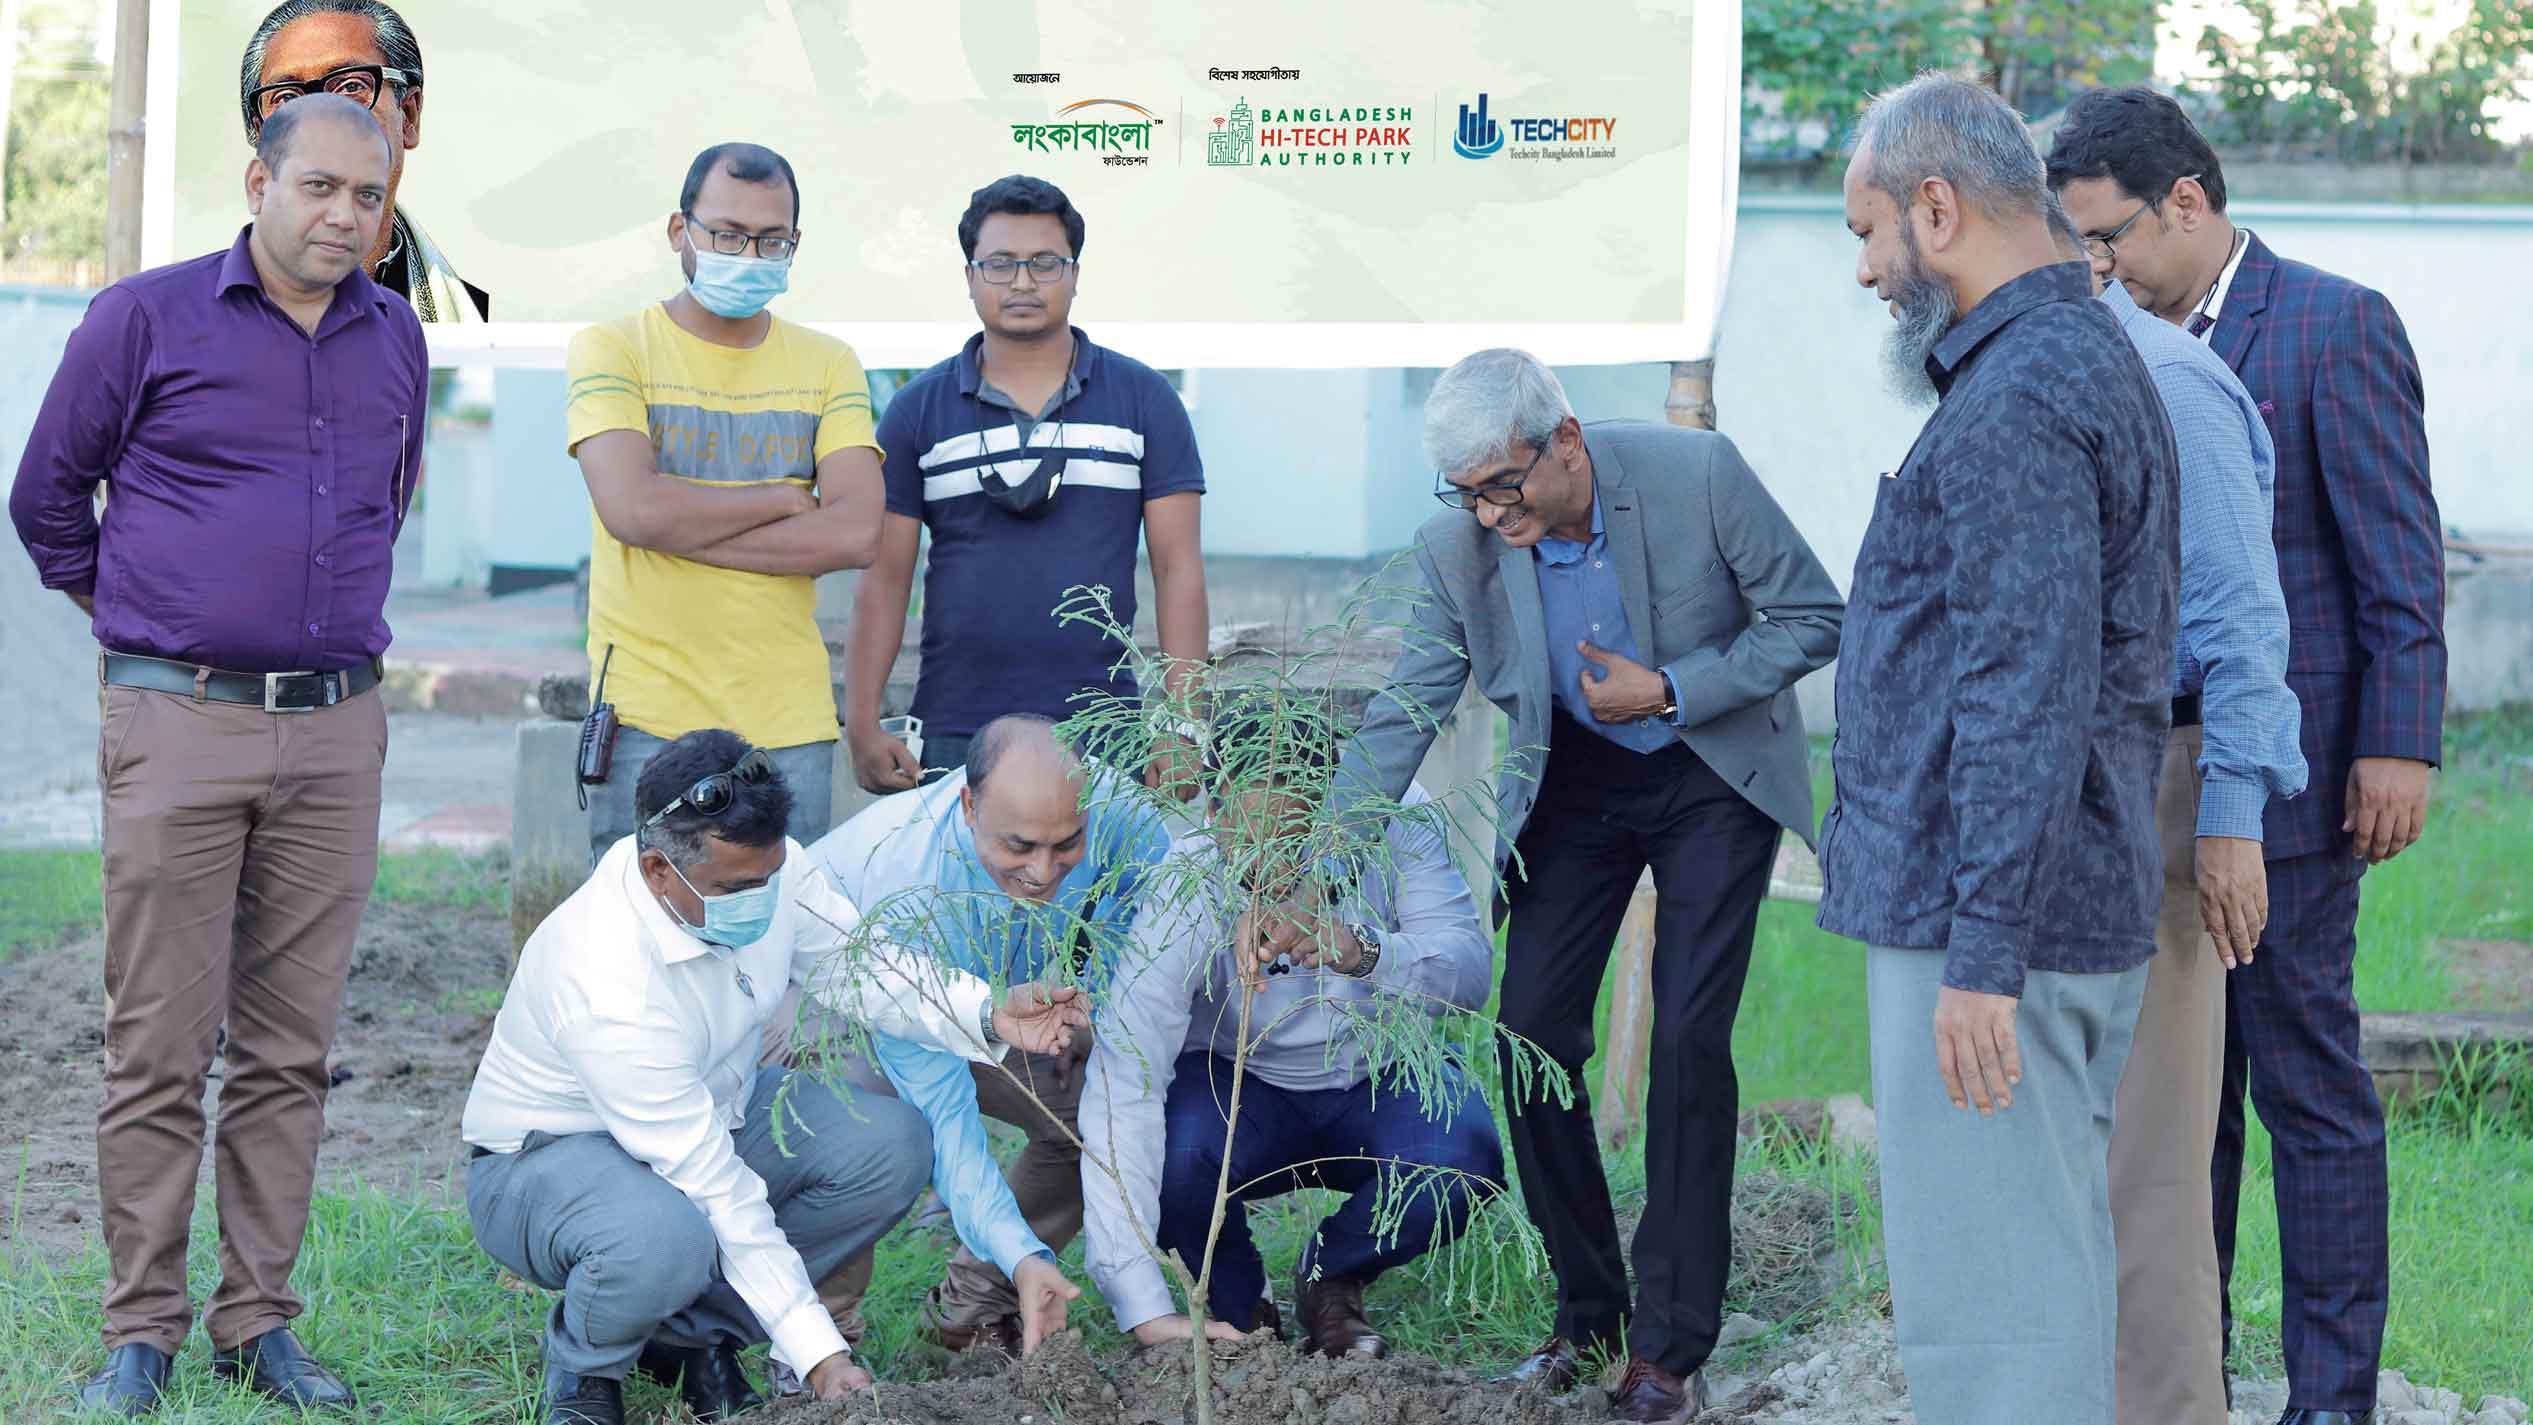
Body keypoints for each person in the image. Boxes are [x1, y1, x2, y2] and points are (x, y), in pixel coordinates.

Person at [9, 95, 424, 1417]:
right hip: (177, 720)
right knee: (158, 1049)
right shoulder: (146, 316)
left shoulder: (397, 334)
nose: (344, 217)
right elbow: (45, 498)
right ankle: (141, 1335)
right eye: (319, 189)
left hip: (337, 729)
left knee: (291, 1049)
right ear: (259, 178)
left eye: (370, 197)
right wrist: (147, 620)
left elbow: (388, 496)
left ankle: (261, 1323)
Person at [1332, 349, 1843, 1420]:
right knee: (1529, 1036)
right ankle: (1588, 1311)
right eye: (1465, 493)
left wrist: (1674, 688)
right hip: (1571, 786)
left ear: (1564, 440)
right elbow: (1404, 710)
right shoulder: (1457, 546)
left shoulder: (1696, 473)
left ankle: (1669, 1349)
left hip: (1709, 771)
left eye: (1500, 485)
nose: (1485, 513)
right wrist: (1316, 864)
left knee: (1686, 1043)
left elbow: (1811, 616)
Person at [2049, 85, 2446, 1425]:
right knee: (2179, 1114)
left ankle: (2332, 1397)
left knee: (2303, 1085)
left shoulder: (2332, 327)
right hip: (2141, 787)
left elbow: (2397, 566)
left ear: (2187, 201)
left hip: (2294, 780)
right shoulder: (2099, 344)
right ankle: (2188, 1382)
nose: (2094, 266)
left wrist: (2399, 747)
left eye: (2110, 237)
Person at [1815, 74, 2179, 1425]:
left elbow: (2026, 686)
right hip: (2022, 912)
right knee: (2034, 1277)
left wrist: (1981, 955)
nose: (1864, 272)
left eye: (1867, 235)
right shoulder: (2063, 362)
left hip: (1989, 935)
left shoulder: (2025, 392)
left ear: (1936, 207)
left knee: (1993, 1319)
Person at [460, 730, 1086, 1425]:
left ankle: (688, 1337)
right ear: (658, 870)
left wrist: (989, 1012)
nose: (759, 899)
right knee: (668, 1234)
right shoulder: (604, 973)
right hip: (548, 1159)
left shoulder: (769, 869)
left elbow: (864, 966)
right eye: (735, 888)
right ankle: (585, 1366)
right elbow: (714, 1186)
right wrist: (820, 1352)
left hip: (716, 1110)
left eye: (767, 878)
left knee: (890, 1146)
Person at [2044, 188, 2313, 1425]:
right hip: (2056, 782)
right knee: (2069, 1143)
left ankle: (2163, 1411)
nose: (1877, 273)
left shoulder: (2170, 384)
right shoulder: (2037, 371)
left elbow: (2241, 622)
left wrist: (2229, 820)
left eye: (1881, 235)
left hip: (2162, 773)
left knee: (2154, 1150)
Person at [1079, 700, 1504, 1358]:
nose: (1271, 869)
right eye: (1250, 849)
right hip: (1234, 1081)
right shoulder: (1185, 868)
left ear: (1336, 811)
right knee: (1169, 1154)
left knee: (1458, 1160)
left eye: (1293, 843)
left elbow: (1470, 972)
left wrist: (1361, 951)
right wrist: (1138, 1301)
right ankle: (1238, 1302)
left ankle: (1327, 1277)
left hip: (1375, 1070)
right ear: (1217, 814)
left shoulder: (1396, 814)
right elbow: (1127, 1068)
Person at [796, 714, 1172, 1352]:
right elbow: (946, 1116)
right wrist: (1024, 1249)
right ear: (968, 806)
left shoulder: (1121, 815)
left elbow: (1134, 912)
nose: (1045, 870)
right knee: (872, 1139)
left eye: (1067, 844)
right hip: (850, 996)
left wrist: (1090, 1011)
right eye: (1019, 847)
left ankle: (975, 1306)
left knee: (1089, 1113)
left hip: (1003, 1004)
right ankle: (816, 1346)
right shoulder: (909, 883)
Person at [570, 142, 892, 866]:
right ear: (679, 232)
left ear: (794, 245)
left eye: (769, 239)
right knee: (639, 948)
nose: (746, 255)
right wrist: (780, 496)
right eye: (725, 234)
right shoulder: (613, 348)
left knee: (777, 949)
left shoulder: (827, 362)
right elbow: (629, 510)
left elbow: (855, 533)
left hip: (788, 725)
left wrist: (671, 524)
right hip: (646, 719)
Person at [845, 175, 1208, 796]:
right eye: (1000, 264)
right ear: (969, 277)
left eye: (1044, 263)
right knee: (959, 894)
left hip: (1106, 728)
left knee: (1103, 894)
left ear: (1074, 273)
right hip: (955, 728)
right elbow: (884, 580)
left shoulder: (1144, 400)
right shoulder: (917, 410)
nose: (1021, 282)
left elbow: (1179, 570)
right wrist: (860, 723)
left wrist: (1182, 725)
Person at [239, 0, 488, 320]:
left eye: (350, 86)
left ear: (408, 116)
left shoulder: (484, 334)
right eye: (286, 97)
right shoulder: (187, 331)